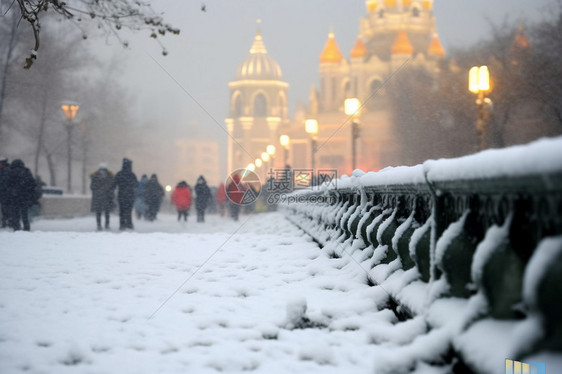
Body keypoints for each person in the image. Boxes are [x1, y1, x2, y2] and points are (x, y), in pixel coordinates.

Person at [5, 159, 37, 231]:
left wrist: (10, 193)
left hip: (14, 197)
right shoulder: (26, 172)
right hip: (24, 197)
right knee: (24, 214)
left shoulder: (9, 172)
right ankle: (26, 227)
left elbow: (6, 185)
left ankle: (16, 228)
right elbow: (32, 184)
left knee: (15, 213)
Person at [113, 158, 138, 230]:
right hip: (130, 195)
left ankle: (122, 224)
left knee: (122, 210)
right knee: (129, 210)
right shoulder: (132, 175)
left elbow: (114, 184)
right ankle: (129, 223)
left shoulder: (119, 174)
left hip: (121, 195)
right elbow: (136, 184)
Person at [90, 163, 115, 231]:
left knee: (98, 212)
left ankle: (99, 225)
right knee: (107, 212)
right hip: (107, 197)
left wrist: (98, 191)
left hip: (98, 197)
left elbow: (92, 187)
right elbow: (112, 187)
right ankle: (106, 225)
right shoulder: (110, 176)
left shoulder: (95, 176)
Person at [0, 157, 10, 228]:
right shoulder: (9, 170)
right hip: (5, 193)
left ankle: (6, 222)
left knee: (5, 208)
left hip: (5, 193)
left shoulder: (6, 171)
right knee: (5, 208)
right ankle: (6, 221)